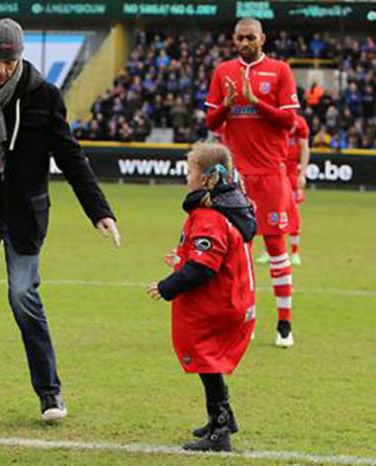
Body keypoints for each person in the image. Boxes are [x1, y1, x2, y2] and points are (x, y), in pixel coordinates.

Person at [0, 18, 120, 422]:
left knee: (23, 297)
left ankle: (50, 395)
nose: (2, 69)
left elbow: (69, 155)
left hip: (22, 217)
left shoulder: (43, 96)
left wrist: (99, 210)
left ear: (20, 57)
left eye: (9, 62)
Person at [146, 143, 256, 452]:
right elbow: (213, 254)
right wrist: (182, 258)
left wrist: (168, 286)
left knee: (206, 359)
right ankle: (223, 417)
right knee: (209, 362)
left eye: (190, 171)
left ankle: (220, 429)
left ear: (207, 178)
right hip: (233, 297)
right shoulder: (229, 207)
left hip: (219, 303)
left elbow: (205, 267)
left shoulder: (210, 214)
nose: (186, 177)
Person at [205, 18, 299, 347]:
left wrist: (255, 101)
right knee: (239, 252)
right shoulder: (222, 72)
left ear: (262, 38)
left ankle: (284, 324)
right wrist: (229, 104)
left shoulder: (280, 71)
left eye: (250, 38)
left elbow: (290, 121)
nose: (244, 43)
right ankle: (247, 320)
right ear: (234, 40)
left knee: (275, 248)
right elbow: (212, 121)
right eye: (239, 38)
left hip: (271, 174)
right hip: (236, 179)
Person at [256, 114, 310, 265]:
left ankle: (295, 253)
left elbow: (305, 147)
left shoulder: (299, 122)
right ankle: (267, 251)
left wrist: (302, 174)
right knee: (268, 211)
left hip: (291, 172)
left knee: (294, 212)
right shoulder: (272, 119)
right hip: (273, 170)